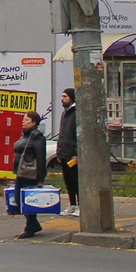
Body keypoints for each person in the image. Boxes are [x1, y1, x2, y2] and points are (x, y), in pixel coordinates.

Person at [14, 111, 50, 239]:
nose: (23, 122)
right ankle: (33, 225)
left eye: (26, 120)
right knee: (19, 199)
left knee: (27, 201)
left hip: (30, 173)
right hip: (21, 172)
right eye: (23, 119)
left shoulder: (37, 136)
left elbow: (41, 158)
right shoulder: (25, 135)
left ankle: (30, 227)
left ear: (34, 123)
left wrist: (41, 178)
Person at [56, 88, 80, 217]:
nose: (62, 99)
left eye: (65, 96)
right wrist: (59, 153)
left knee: (76, 180)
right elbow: (62, 134)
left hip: (72, 154)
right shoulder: (65, 113)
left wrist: (77, 153)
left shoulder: (76, 113)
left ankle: (81, 205)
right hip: (64, 153)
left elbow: (78, 135)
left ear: (71, 97)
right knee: (68, 180)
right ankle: (72, 204)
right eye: (62, 96)